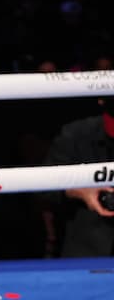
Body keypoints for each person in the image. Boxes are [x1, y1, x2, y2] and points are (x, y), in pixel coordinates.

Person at [41, 96, 114, 256]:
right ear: (101, 98)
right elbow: (44, 188)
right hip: (88, 249)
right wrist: (80, 191)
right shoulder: (76, 134)